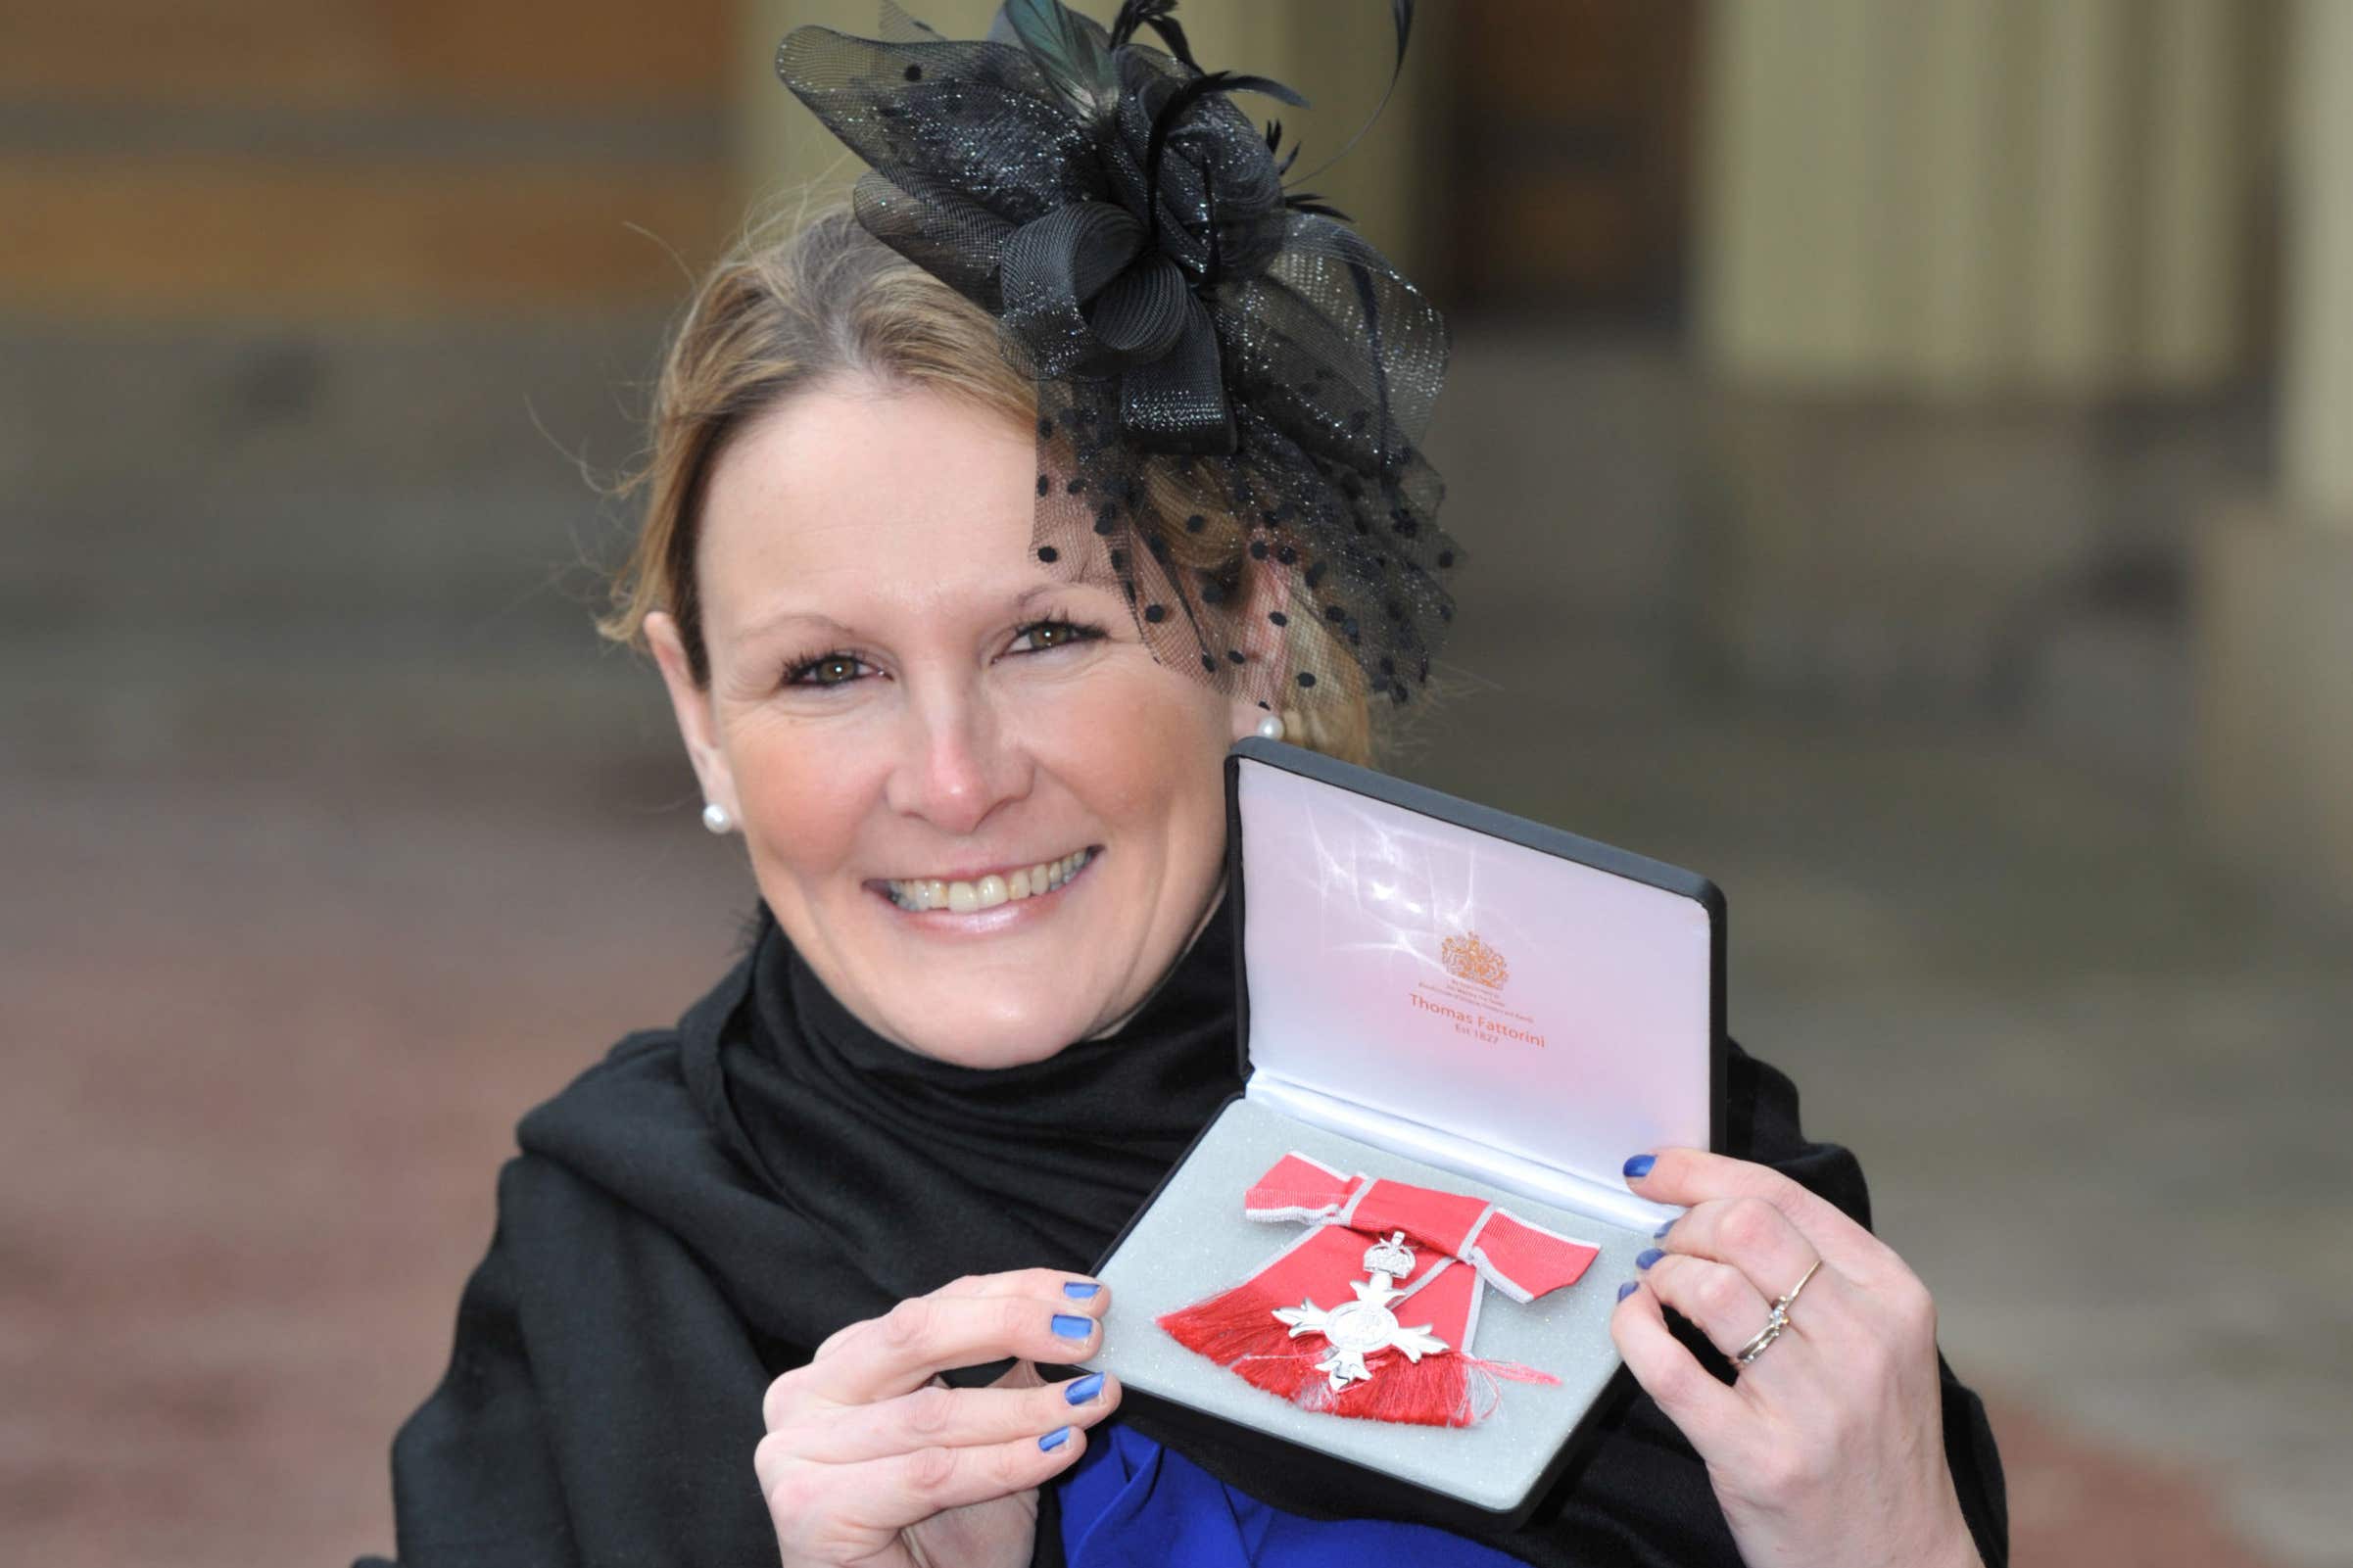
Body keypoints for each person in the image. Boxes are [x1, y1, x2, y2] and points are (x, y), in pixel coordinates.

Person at [364, 6, 2006, 1565]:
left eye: (1044, 635)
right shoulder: (614, 1269)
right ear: (700, 713)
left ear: (1253, 636)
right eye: (828, 669)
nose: (950, 779)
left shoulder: (1666, 1202)